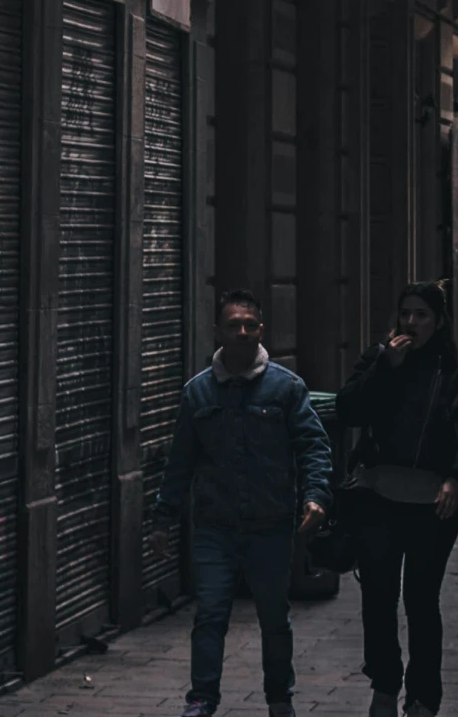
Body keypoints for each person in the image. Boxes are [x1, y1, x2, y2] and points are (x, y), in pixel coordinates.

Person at [153, 288, 332, 717]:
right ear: (218, 331)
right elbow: (180, 461)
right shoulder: (198, 394)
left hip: (270, 526)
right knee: (210, 615)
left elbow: (313, 446)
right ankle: (201, 700)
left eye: (250, 325)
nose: (242, 332)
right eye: (233, 325)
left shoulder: (286, 388)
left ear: (261, 330)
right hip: (215, 526)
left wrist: (315, 495)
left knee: (274, 618)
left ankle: (278, 698)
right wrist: (163, 518)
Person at [337, 283, 458, 717]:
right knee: (379, 599)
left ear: (438, 320)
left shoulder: (455, 369)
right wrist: (386, 367)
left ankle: (423, 697)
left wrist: (457, 479)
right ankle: (385, 685)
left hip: (432, 506)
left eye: (422, 314)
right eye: (405, 313)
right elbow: (349, 410)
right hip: (378, 500)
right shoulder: (379, 358)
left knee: (422, 602)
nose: (411, 322)